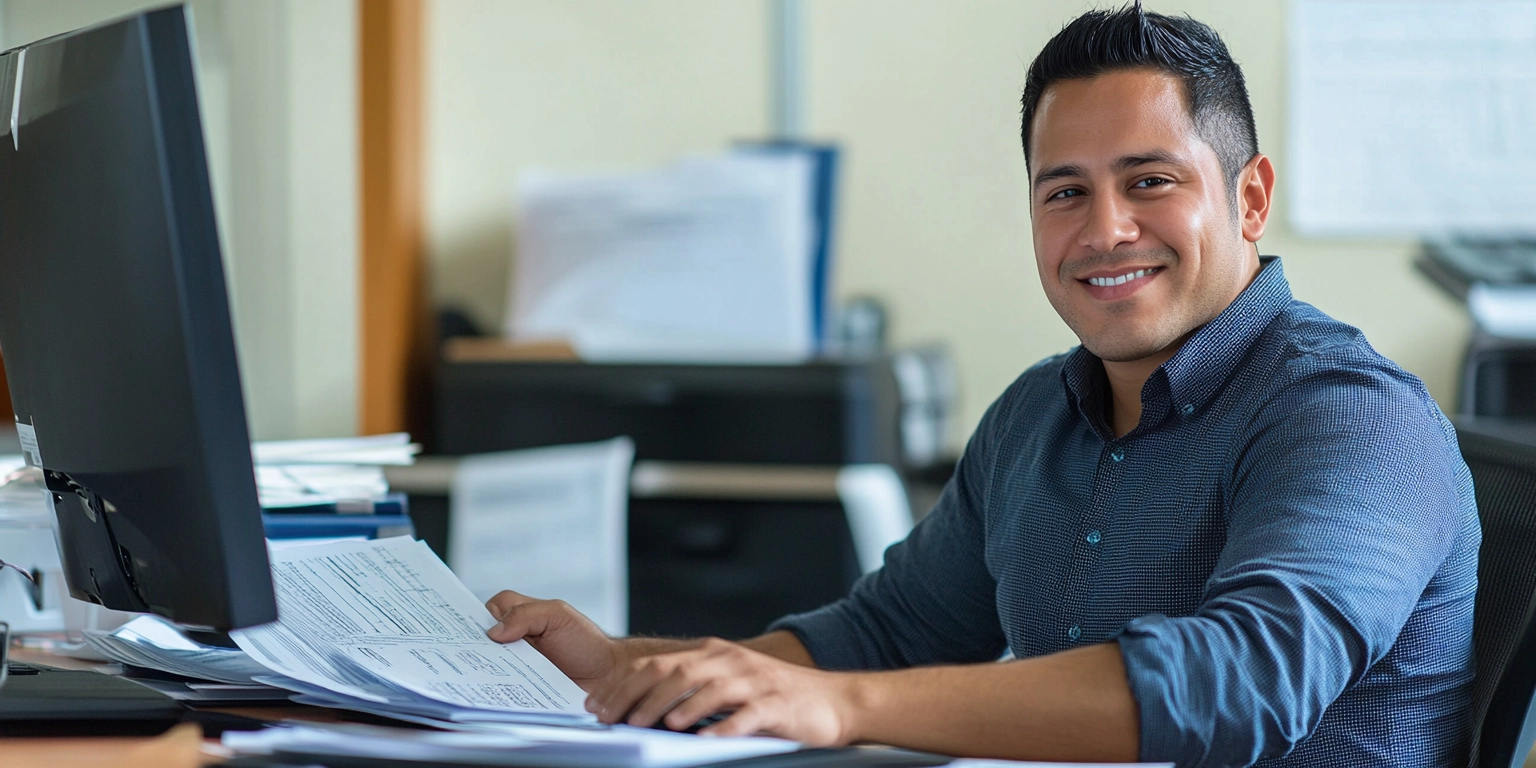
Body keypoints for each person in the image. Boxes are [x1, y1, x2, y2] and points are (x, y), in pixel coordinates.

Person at [485, 5, 1480, 765]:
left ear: (1249, 196)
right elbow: (883, 634)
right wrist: (634, 669)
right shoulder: (1035, 418)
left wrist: (846, 709)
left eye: (1149, 181)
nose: (1105, 230)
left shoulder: (1352, 415)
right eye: (1065, 192)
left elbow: (1247, 679)